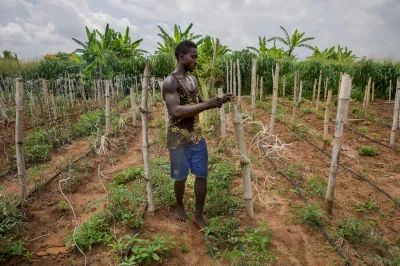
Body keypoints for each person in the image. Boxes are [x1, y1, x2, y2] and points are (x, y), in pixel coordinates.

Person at [162, 40, 231, 229]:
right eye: (193, 57)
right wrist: (207, 105)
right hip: (177, 137)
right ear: (181, 56)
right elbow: (175, 111)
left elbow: (200, 101)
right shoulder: (170, 82)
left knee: (202, 175)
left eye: (196, 57)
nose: (196, 61)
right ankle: (179, 205)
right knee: (180, 177)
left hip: (196, 135)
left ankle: (198, 215)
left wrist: (218, 101)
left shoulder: (192, 80)